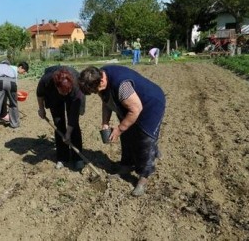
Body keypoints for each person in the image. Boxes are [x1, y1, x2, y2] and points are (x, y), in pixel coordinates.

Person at [78, 65, 166, 197]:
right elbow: (106, 101)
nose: (97, 93)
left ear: (102, 81)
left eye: (96, 90)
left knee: (144, 141)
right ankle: (126, 166)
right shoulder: (98, 75)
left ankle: (143, 177)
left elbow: (135, 109)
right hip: (130, 105)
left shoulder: (122, 85)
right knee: (127, 135)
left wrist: (119, 129)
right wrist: (105, 123)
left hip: (150, 104)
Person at [36, 65, 86, 171]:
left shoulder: (76, 84)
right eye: (63, 92)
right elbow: (39, 93)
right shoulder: (47, 80)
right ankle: (62, 157)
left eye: (67, 92)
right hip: (53, 96)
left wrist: (68, 134)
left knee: (74, 125)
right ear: (57, 86)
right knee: (58, 124)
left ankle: (77, 158)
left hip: (74, 96)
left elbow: (73, 117)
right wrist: (41, 109)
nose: (65, 94)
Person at [0, 60, 29, 135]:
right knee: (13, 104)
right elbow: (14, 81)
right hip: (12, 83)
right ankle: (15, 124)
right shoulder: (11, 68)